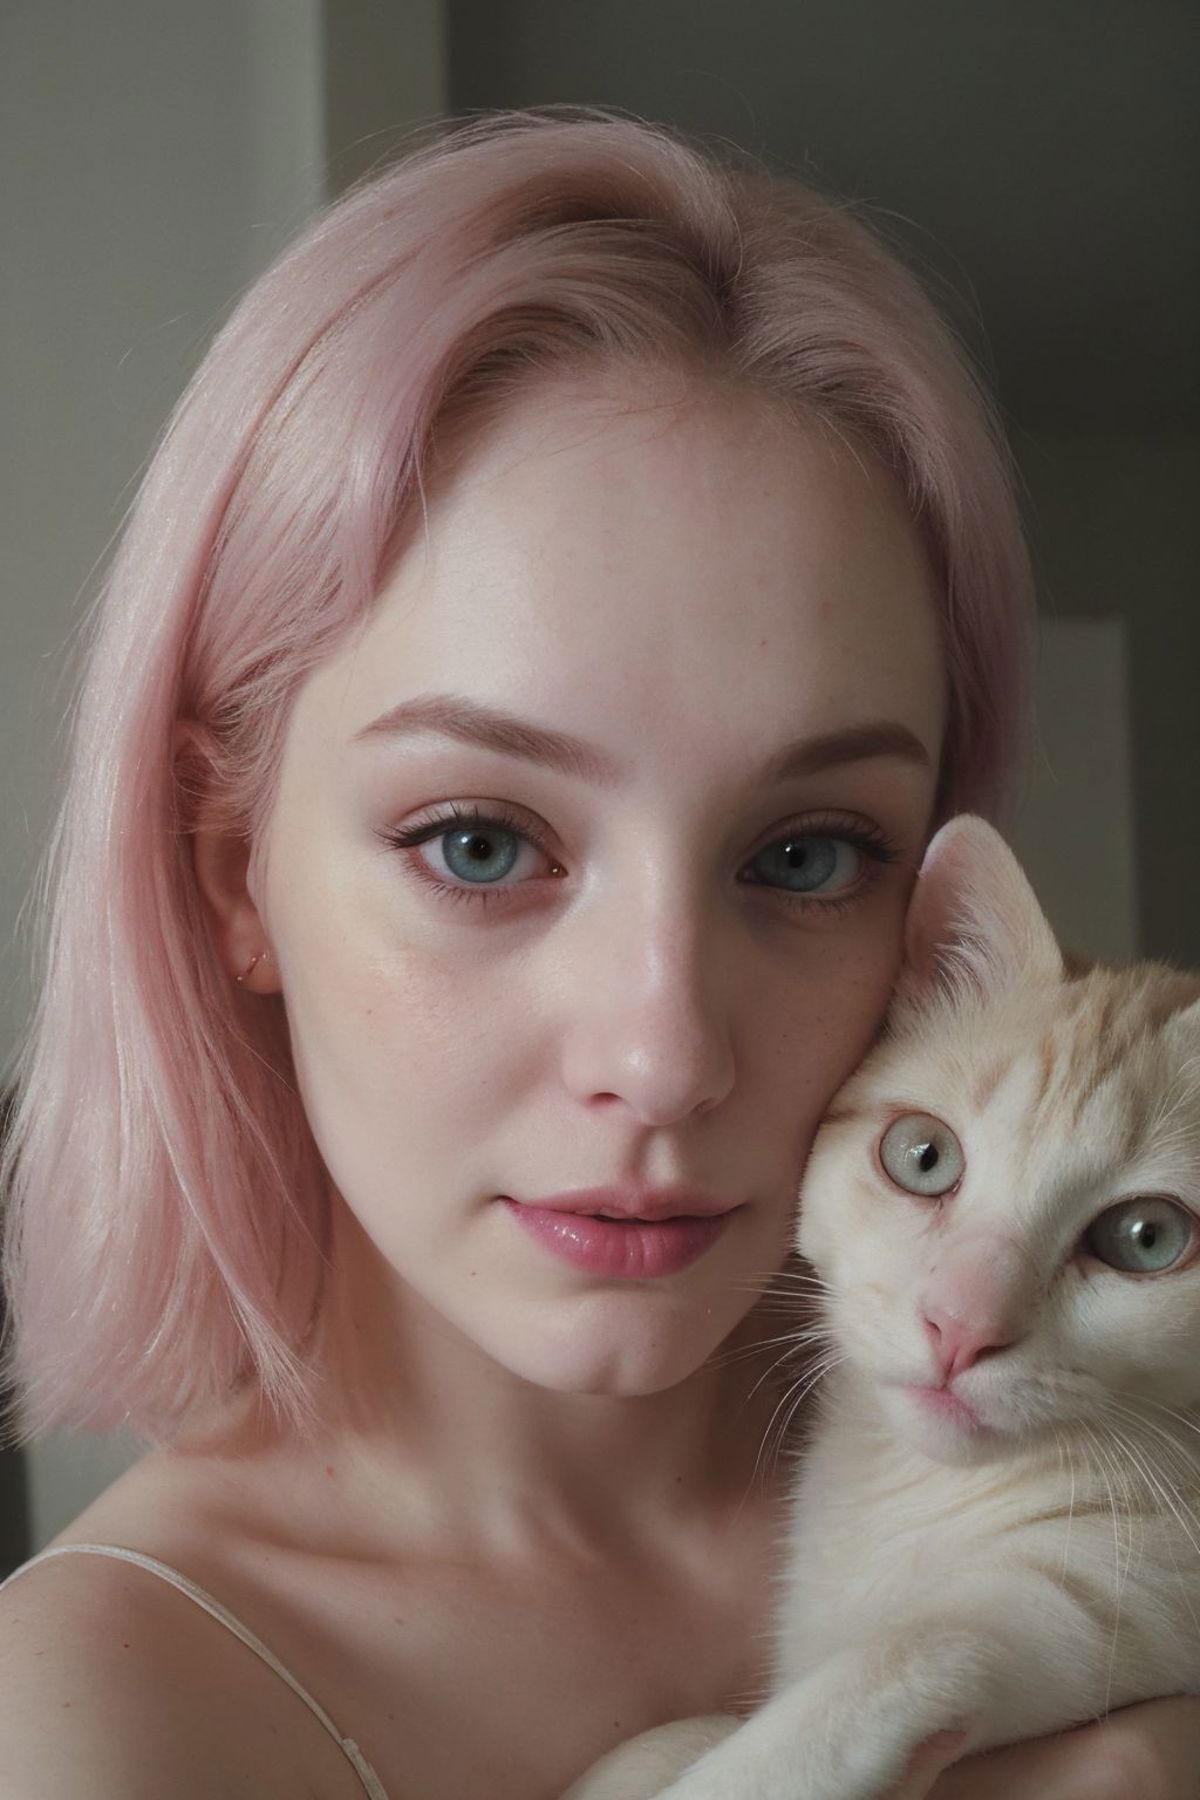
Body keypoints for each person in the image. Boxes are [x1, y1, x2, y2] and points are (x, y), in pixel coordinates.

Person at [0, 108, 1195, 1799]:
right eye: (479, 843)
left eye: (803, 856)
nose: (666, 1052)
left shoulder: (1108, 1453)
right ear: (231, 880)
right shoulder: (92, 1731)